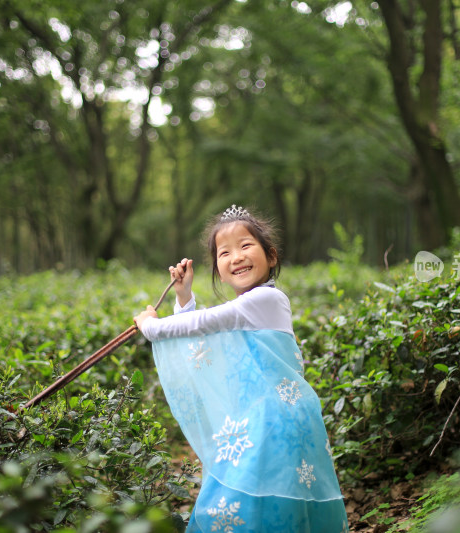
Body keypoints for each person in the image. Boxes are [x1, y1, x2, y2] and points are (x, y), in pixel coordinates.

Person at [134, 205, 349, 532]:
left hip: (273, 423)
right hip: (259, 422)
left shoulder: (266, 301)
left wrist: (151, 326)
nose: (236, 256)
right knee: (255, 503)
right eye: (225, 252)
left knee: (247, 504)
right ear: (219, 269)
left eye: (246, 246)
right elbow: (203, 343)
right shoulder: (246, 310)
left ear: (272, 257)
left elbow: (206, 323)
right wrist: (184, 297)